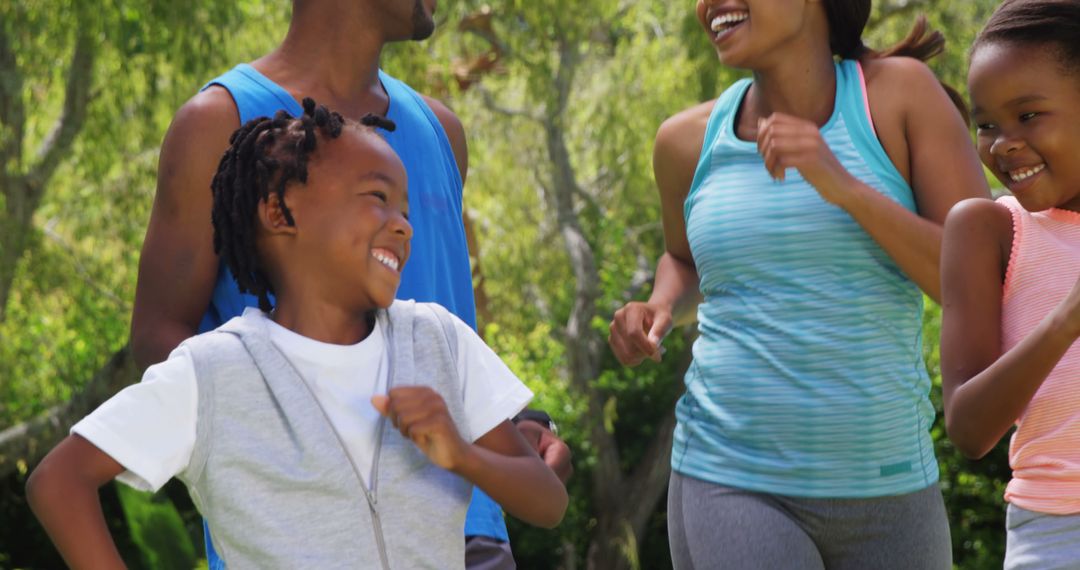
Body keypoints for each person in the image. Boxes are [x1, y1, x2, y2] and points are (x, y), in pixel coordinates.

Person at [25, 101, 569, 569]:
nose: (403, 224)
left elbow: (548, 503)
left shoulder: (438, 341)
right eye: (377, 197)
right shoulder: (214, 373)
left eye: (404, 209)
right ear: (280, 211)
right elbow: (58, 482)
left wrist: (461, 454)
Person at [127, 1, 571, 567]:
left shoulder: (443, 133)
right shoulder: (218, 122)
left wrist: (516, 424)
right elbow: (159, 335)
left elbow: (442, 331)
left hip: (466, 533)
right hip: (300, 542)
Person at [608, 0, 990, 567]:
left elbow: (976, 279)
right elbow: (685, 261)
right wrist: (660, 303)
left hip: (893, 484)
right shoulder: (684, 141)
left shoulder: (900, 96)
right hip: (731, 475)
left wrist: (843, 186)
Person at [940, 1, 1080, 567]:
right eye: (987, 124)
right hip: (1055, 535)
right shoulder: (988, 229)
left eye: (1027, 116)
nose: (1002, 143)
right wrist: (1065, 321)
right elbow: (968, 429)